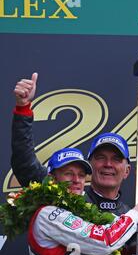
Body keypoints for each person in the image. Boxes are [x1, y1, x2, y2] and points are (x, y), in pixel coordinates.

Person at [12, 72, 131, 216]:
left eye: (116, 159)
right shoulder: (64, 195)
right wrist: (23, 108)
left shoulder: (133, 217)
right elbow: (25, 164)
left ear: (127, 171)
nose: (108, 164)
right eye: (100, 157)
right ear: (90, 166)